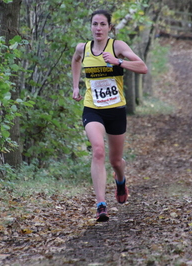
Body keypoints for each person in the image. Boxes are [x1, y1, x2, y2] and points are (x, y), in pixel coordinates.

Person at [72, 9, 147, 222]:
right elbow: (76, 60)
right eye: (94, 24)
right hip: (92, 108)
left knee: (115, 161)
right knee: (97, 150)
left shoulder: (118, 46)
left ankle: (120, 180)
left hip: (115, 110)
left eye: (102, 24)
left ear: (109, 27)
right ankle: (101, 205)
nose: (98, 28)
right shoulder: (83, 48)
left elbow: (143, 67)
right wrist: (76, 87)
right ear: (91, 27)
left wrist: (119, 62)